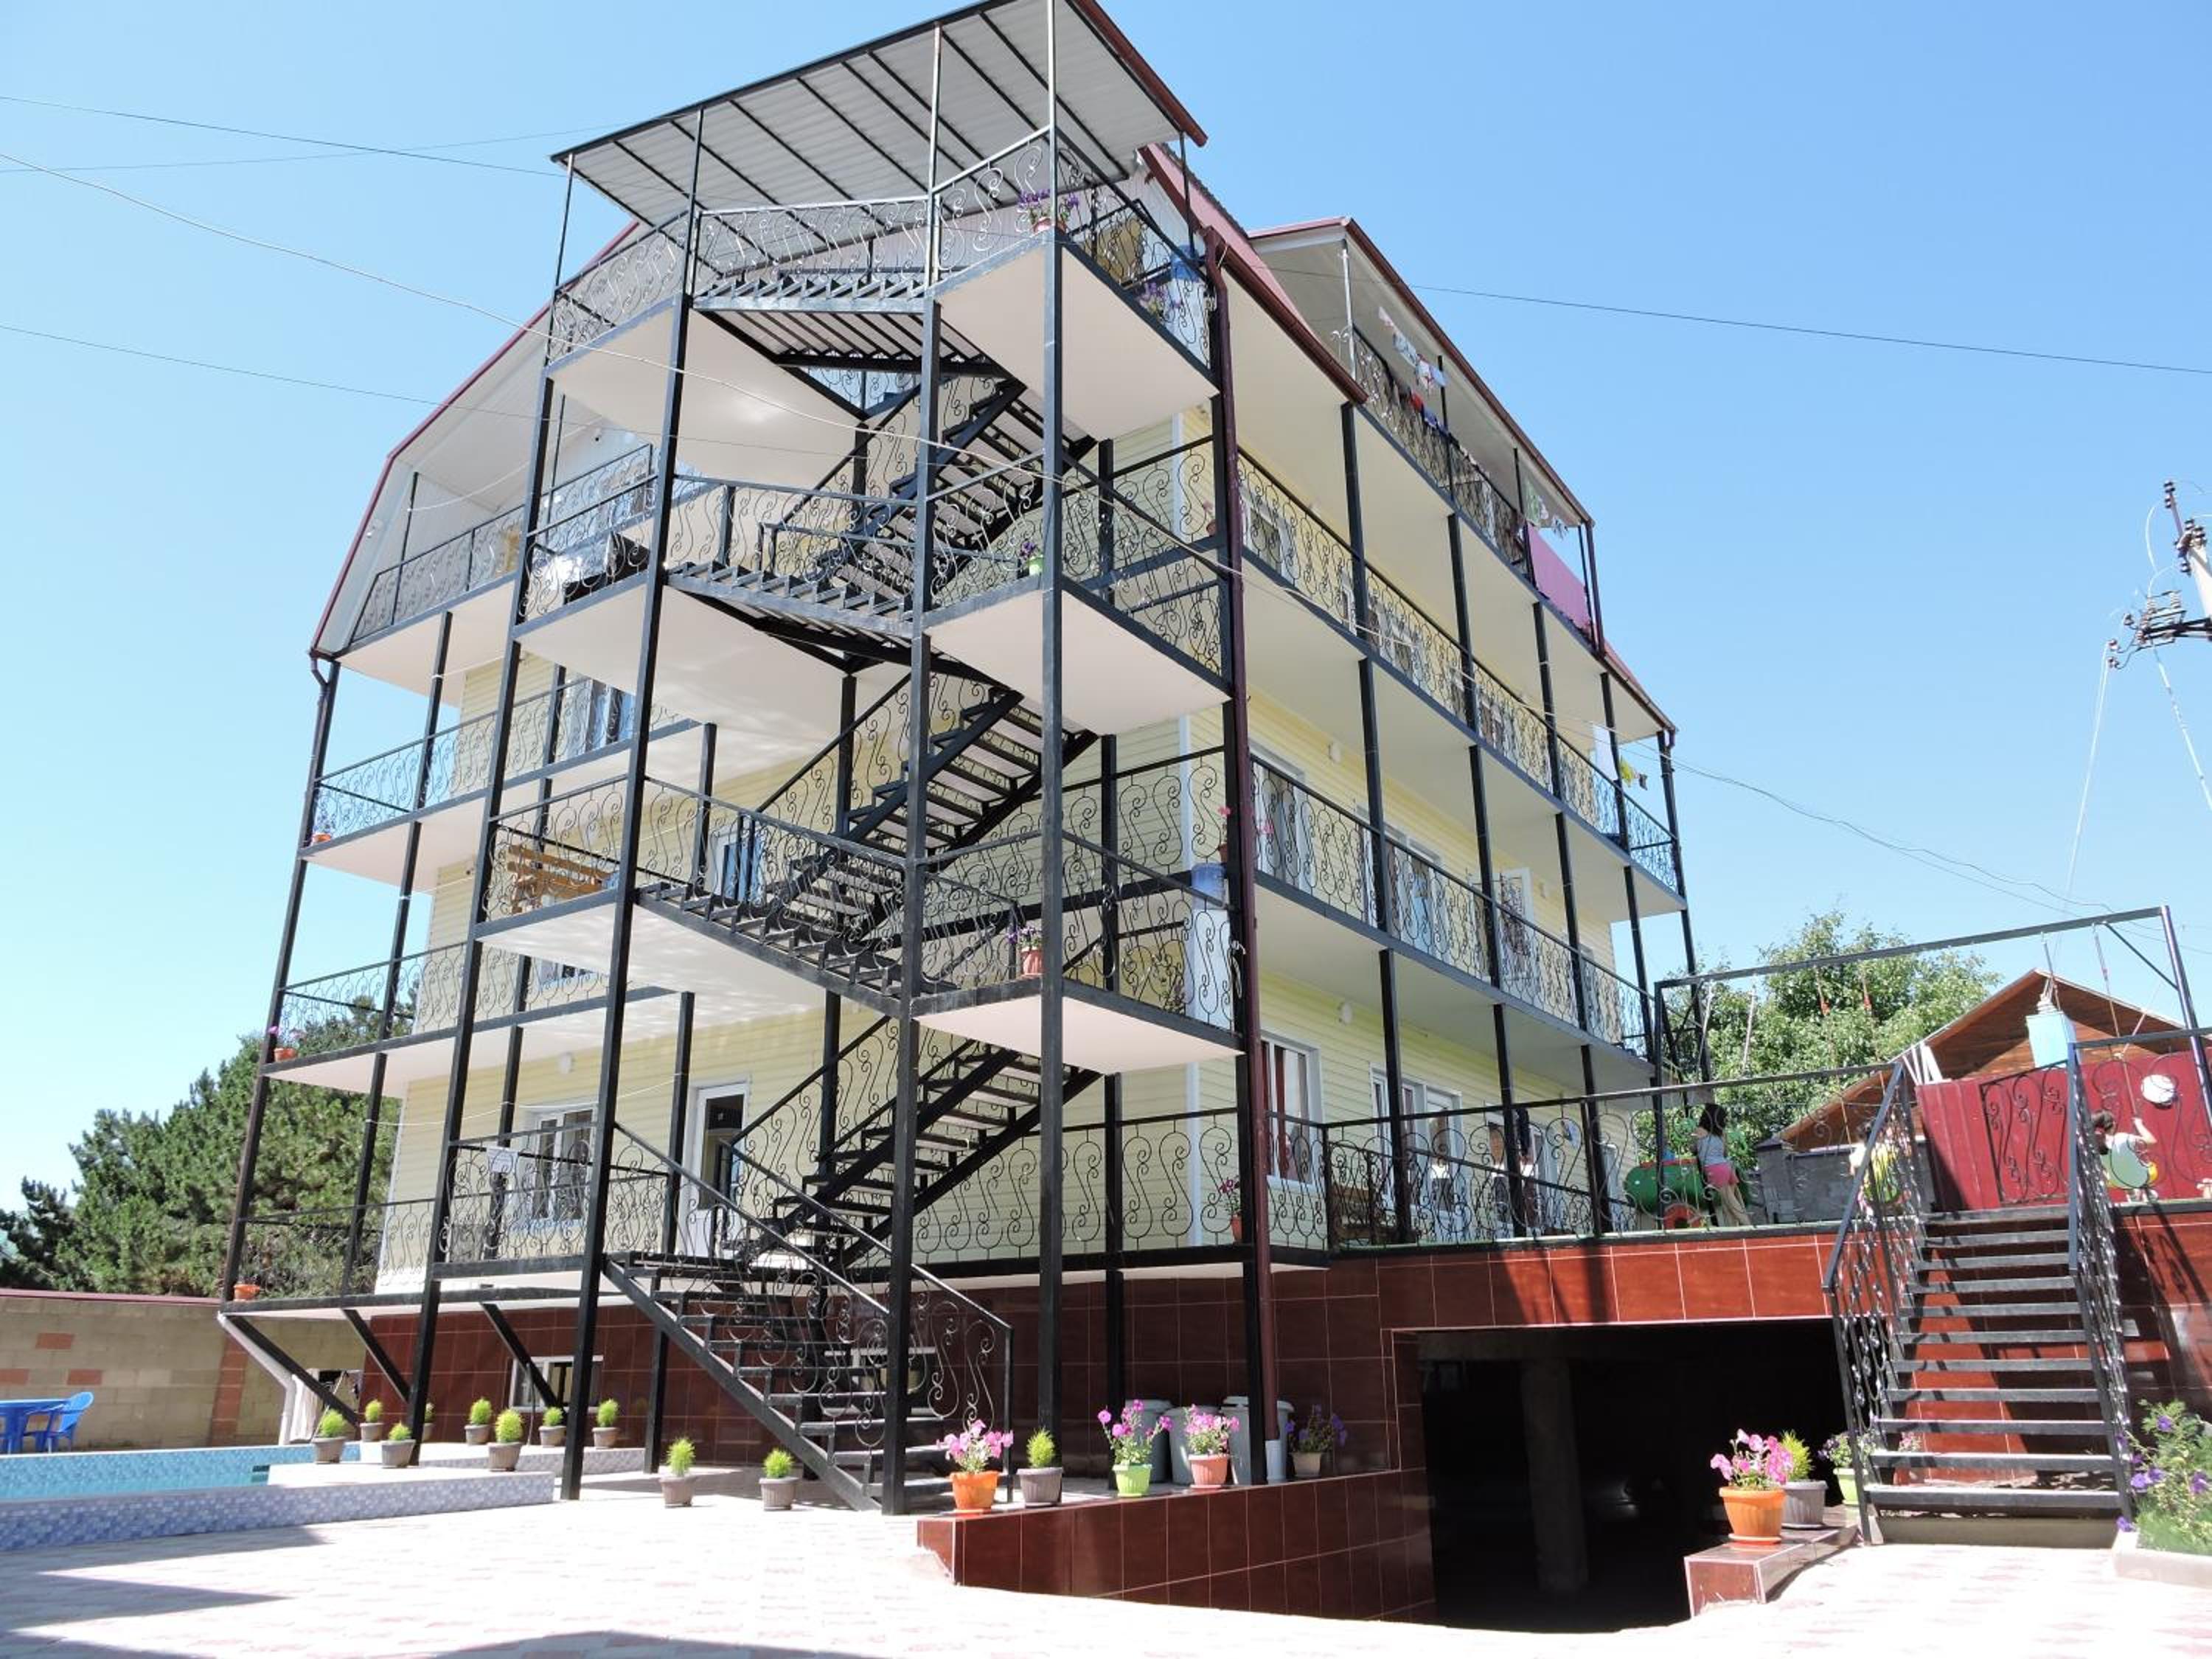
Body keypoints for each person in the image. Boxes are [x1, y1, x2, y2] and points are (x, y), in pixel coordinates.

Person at [1695, 1103, 1750, 1226]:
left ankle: (1750, 1227)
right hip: (1727, 1166)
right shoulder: (1722, 1133)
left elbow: (1693, 1148)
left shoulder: (1699, 1131)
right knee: (1729, 1204)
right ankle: (1735, 1231)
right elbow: (1725, 1153)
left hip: (1714, 1169)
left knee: (1731, 1203)